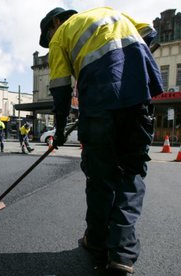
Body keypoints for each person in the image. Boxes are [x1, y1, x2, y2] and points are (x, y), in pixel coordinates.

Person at [39, 7, 164, 275]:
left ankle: (97, 242)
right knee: (131, 173)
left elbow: (60, 89)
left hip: (98, 104)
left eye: (47, 33)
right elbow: (150, 33)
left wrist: (59, 130)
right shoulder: (108, 12)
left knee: (100, 176)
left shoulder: (61, 35)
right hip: (136, 97)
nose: (50, 40)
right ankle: (122, 253)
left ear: (56, 22)